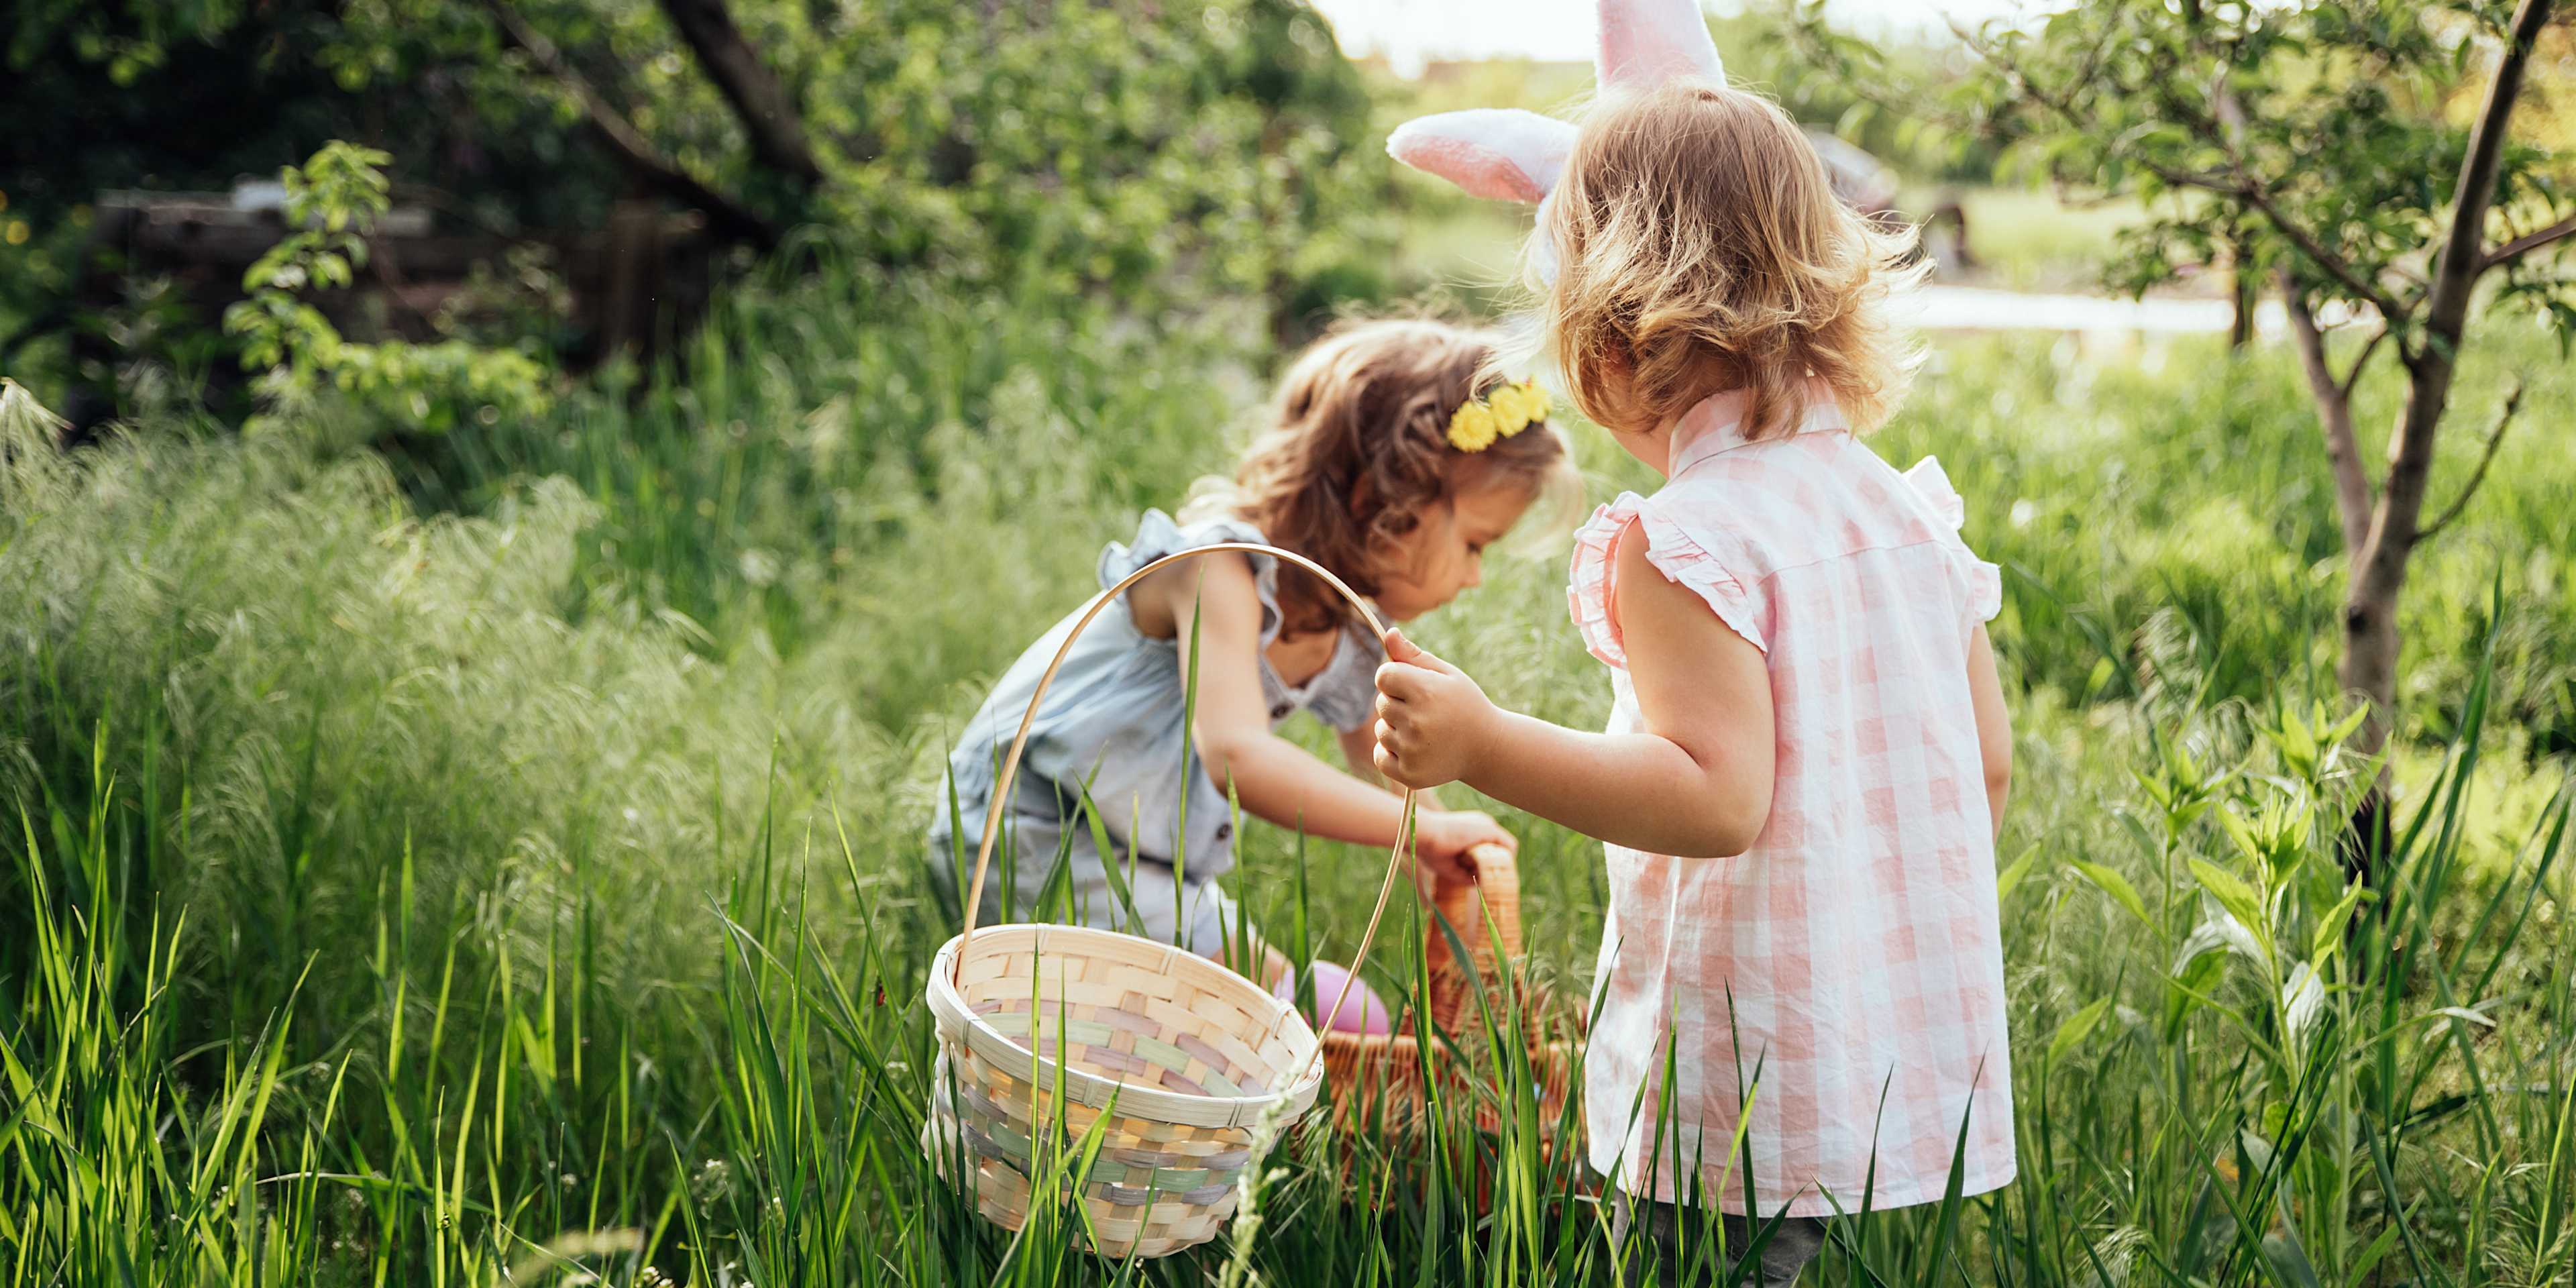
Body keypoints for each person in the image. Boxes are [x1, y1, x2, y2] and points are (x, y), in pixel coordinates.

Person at [1377, 80, 2018, 1284]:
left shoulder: (1688, 542)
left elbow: (1717, 799)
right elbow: (1983, 764)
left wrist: (1482, 740)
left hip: (1739, 1066)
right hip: (1864, 1042)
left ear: (1614, 340)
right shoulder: (1906, 513)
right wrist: (1866, 944)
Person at [928, 317, 1571, 998]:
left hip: (1140, 860)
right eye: (1475, 544)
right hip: (1033, 831)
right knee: (1265, 1008)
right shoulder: (1217, 571)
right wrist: (1416, 833)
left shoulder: (1353, 627)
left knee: (1277, 1011)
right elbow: (1237, 755)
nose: (1474, 577)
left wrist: (1443, 860)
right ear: (1380, 501)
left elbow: (1392, 766)